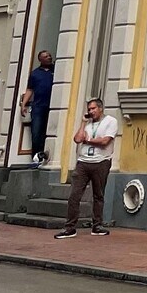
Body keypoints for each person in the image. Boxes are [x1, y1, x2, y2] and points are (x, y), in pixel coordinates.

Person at [57, 97, 116, 238]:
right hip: (83, 163)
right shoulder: (88, 124)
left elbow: (105, 141)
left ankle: (97, 226)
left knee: (98, 195)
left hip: (101, 162)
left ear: (100, 108)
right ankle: (70, 228)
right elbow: (77, 139)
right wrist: (83, 123)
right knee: (74, 195)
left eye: (93, 108)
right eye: (89, 109)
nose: (91, 111)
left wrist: (88, 140)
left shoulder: (110, 121)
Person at [16, 51, 53, 165]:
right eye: (46, 57)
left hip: (52, 106)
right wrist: (23, 104)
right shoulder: (35, 74)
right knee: (36, 133)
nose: (49, 58)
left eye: (49, 55)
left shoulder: (56, 70)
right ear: (40, 60)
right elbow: (29, 90)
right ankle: (37, 158)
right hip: (38, 106)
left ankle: (48, 157)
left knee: (50, 132)